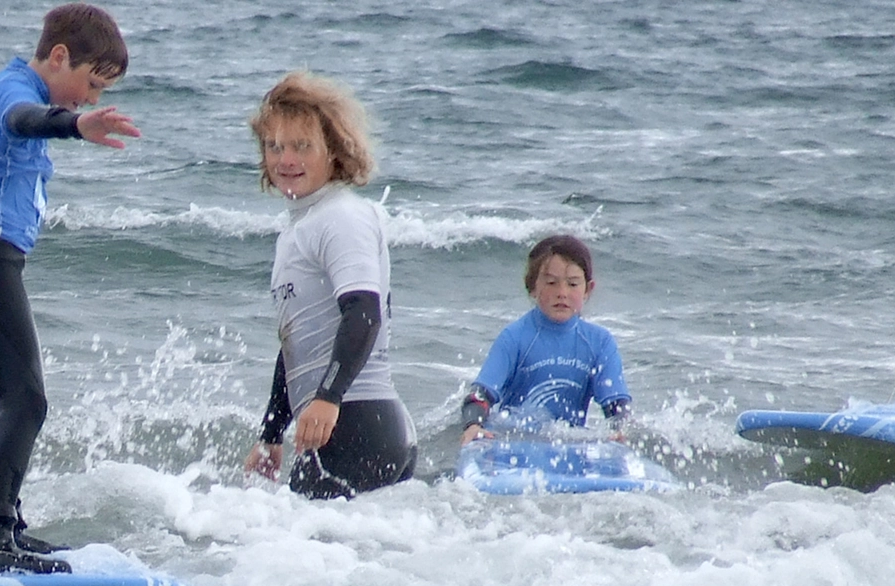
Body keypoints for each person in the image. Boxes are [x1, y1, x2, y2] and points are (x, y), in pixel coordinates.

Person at [0, 2, 140, 574]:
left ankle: (1, 527)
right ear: (59, 56)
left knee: (13, 399)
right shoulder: (16, 94)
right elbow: (24, 120)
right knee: (28, 400)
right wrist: (72, 125)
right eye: (91, 84)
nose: (92, 99)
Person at [240, 71, 416, 500]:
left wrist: (328, 397)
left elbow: (363, 313)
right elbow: (296, 345)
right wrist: (271, 433)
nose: (285, 159)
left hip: (357, 422)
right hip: (342, 424)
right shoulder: (300, 228)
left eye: (302, 146)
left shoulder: (342, 217)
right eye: (273, 146)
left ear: (334, 151)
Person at [457, 234, 632, 443]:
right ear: (532, 287)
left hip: (569, 444)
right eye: (551, 283)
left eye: (573, 284)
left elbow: (616, 405)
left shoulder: (600, 343)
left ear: (588, 289)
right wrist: (474, 425)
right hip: (511, 441)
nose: (562, 293)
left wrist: (620, 431)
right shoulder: (514, 338)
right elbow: (480, 395)